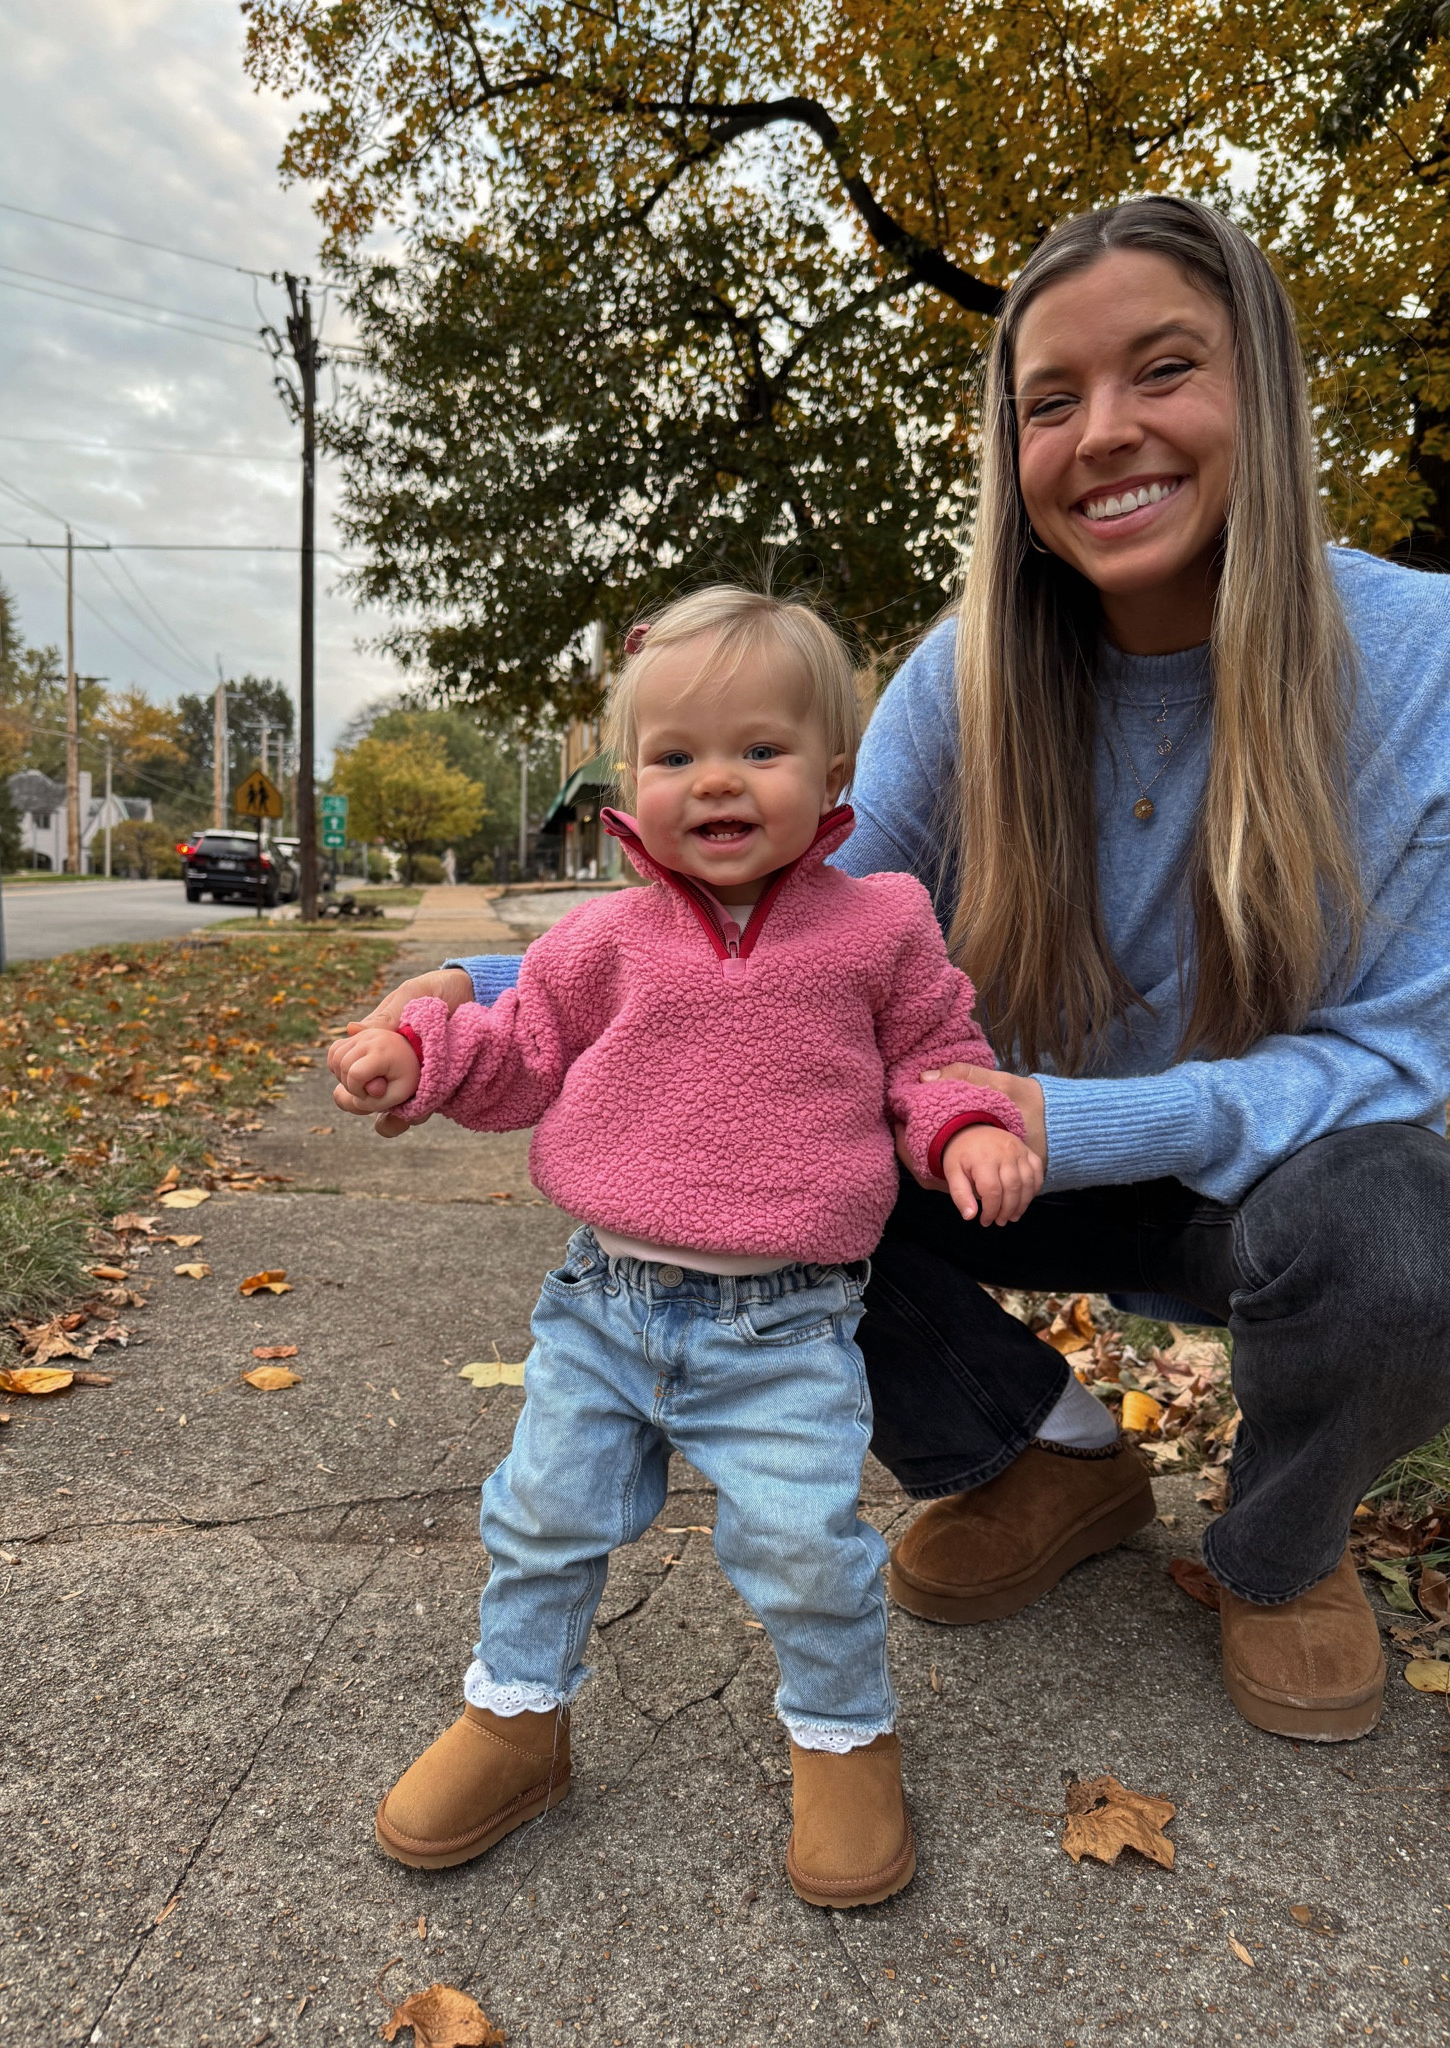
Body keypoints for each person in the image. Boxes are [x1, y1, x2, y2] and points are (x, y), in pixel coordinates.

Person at [356, 196, 1450, 1748]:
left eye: (1164, 371)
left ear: (1261, 390)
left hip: (1270, 1185)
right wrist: (471, 998)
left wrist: (1087, 1123)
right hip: (979, 1162)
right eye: (1051, 401)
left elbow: (1406, 1057)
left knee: (1414, 1236)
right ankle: (1032, 1456)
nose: (1105, 433)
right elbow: (765, 961)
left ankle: (1280, 1550)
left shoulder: (1424, 660)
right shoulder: (966, 673)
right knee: (740, 1141)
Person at [329, 587, 1043, 1907]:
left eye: (759, 751)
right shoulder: (599, 940)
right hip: (604, 1306)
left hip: (786, 1326)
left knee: (804, 1548)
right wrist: (412, 1052)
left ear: (834, 773)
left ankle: (844, 1736)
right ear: (627, 780)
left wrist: (969, 1127)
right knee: (539, 1518)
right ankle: (517, 1717)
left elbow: (937, 1056)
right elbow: (515, 1054)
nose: (715, 781)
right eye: (675, 757)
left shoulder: (880, 926)